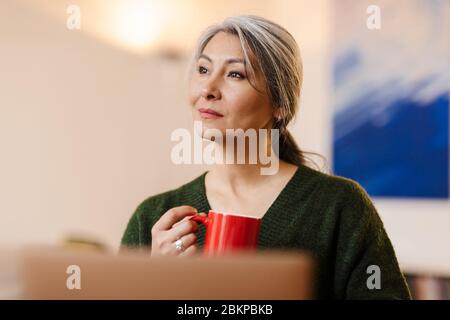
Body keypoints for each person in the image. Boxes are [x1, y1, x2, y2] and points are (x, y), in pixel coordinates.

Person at [121, 15, 411, 299]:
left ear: (280, 105)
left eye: (235, 74)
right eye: (202, 69)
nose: (208, 90)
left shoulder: (339, 207)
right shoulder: (153, 217)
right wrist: (155, 284)